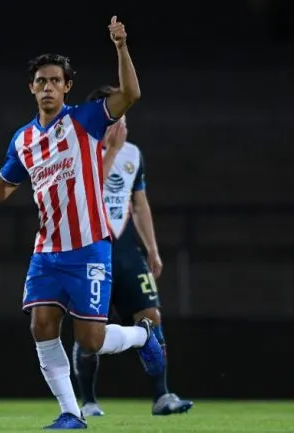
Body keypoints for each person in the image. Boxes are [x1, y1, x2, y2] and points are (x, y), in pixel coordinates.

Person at [0, 16, 164, 430]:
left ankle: (144, 335)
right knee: (41, 325)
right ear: (31, 88)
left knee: (91, 340)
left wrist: (121, 46)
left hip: (90, 245)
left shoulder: (86, 120)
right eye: (41, 81)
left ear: (67, 86)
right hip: (47, 250)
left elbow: (131, 93)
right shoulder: (23, 140)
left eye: (55, 80)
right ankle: (71, 413)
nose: (48, 87)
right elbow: (7, 182)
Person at [72, 86, 194, 417]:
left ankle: (162, 396)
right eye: (115, 117)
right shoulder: (79, 150)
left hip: (125, 250)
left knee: (151, 316)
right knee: (90, 329)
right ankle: (88, 402)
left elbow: (139, 203)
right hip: (90, 250)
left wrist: (152, 249)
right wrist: (111, 150)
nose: (121, 125)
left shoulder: (133, 154)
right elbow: (87, 192)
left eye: (124, 117)